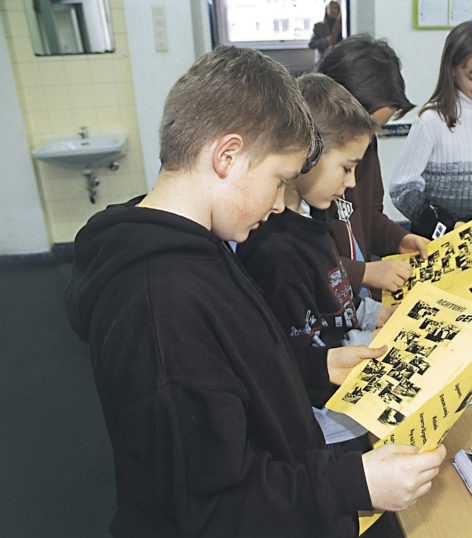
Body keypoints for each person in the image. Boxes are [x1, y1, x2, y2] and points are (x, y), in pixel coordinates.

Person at [64, 46, 445, 538]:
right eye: (279, 180)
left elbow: (237, 365)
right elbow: (213, 508)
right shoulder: (160, 305)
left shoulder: (201, 242)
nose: (277, 205)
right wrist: (354, 482)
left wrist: (311, 367)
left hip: (290, 475)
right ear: (226, 156)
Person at [237, 72, 391, 450]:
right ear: (311, 153)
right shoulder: (275, 250)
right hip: (325, 425)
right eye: (346, 167)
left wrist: (377, 317)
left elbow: (336, 299)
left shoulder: (313, 218)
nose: (352, 183)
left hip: (342, 389)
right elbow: (299, 361)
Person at [317, 34, 430, 299]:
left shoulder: (364, 143)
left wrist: (400, 239)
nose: (368, 141)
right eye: (367, 127)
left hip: (361, 303)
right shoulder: (304, 171)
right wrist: (363, 272)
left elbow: (368, 216)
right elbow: (302, 261)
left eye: (377, 130)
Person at [389, 20, 472, 239]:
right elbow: (402, 190)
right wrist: (447, 225)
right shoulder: (431, 120)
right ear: (451, 69)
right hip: (438, 240)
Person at [308, 1, 342, 66]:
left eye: (335, 8)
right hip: (323, 62)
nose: (333, 10)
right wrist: (325, 41)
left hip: (340, 61)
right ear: (326, 10)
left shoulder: (344, 27)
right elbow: (311, 44)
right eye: (331, 8)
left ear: (339, 10)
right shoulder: (319, 26)